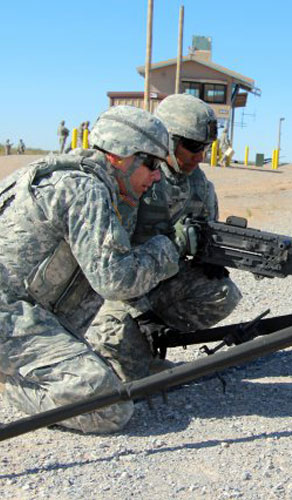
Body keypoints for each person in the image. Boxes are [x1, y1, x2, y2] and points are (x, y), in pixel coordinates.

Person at [0, 106, 188, 434]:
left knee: (114, 379)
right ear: (121, 157)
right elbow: (115, 279)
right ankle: (11, 381)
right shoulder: (84, 188)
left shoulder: (70, 175)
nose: (157, 175)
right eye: (152, 164)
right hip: (10, 316)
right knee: (108, 406)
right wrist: (170, 249)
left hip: (21, 310)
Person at [86, 94, 241, 382]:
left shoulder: (200, 186)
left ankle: (149, 341)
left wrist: (211, 255)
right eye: (192, 146)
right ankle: (120, 340)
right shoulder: (132, 179)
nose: (200, 156)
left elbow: (204, 233)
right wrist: (141, 313)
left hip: (157, 280)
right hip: (115, 286)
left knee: (222, 293)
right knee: (119, 356)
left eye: (205, 147)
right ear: (166, 139)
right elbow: (108, 266)